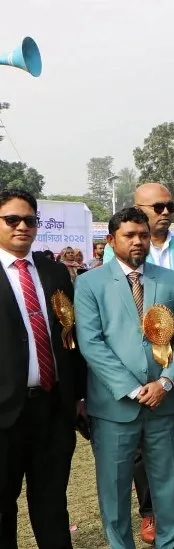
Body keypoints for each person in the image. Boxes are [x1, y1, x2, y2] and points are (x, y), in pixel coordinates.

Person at [75, 206, 174, 549]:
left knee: (168, 485)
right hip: (114, 406)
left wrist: (166, 382)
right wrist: (131, 388)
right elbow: (91, 343)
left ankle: (171, 543)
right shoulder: (89, 282)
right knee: (114, 489)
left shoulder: (168, 279)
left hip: (163, 401)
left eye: (143, 234)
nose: (138, 241)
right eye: (129, 235)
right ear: (111, 240)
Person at [103, 182, 174, 542]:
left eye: (170, 206)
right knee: (141, 443)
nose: (166, 213)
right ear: (138, 208)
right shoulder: (118, 251)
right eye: (158, 207)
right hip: (137, 366)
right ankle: (150, 512)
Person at [0, 190, 87, 549]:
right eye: (12, 219)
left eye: (29, 220)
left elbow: (71, 335)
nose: (22, 226)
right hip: (4, 415)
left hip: (52, 409)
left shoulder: (54, 272)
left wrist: (78, 396)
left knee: (52, 502)